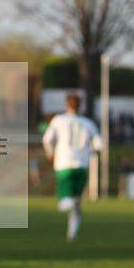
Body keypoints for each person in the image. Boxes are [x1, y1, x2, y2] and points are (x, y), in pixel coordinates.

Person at [41, 94, 102, 242]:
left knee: (64, 203)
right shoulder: (88, 123)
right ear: (80, 106)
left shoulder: (59, 120)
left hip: (64, 164)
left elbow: (47, 139)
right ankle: (72, 233)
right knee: (76, 203)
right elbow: (100, 144)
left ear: (66, 105)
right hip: (81, 165)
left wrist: (50, 153)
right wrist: (90, 153)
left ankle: (68, 204)